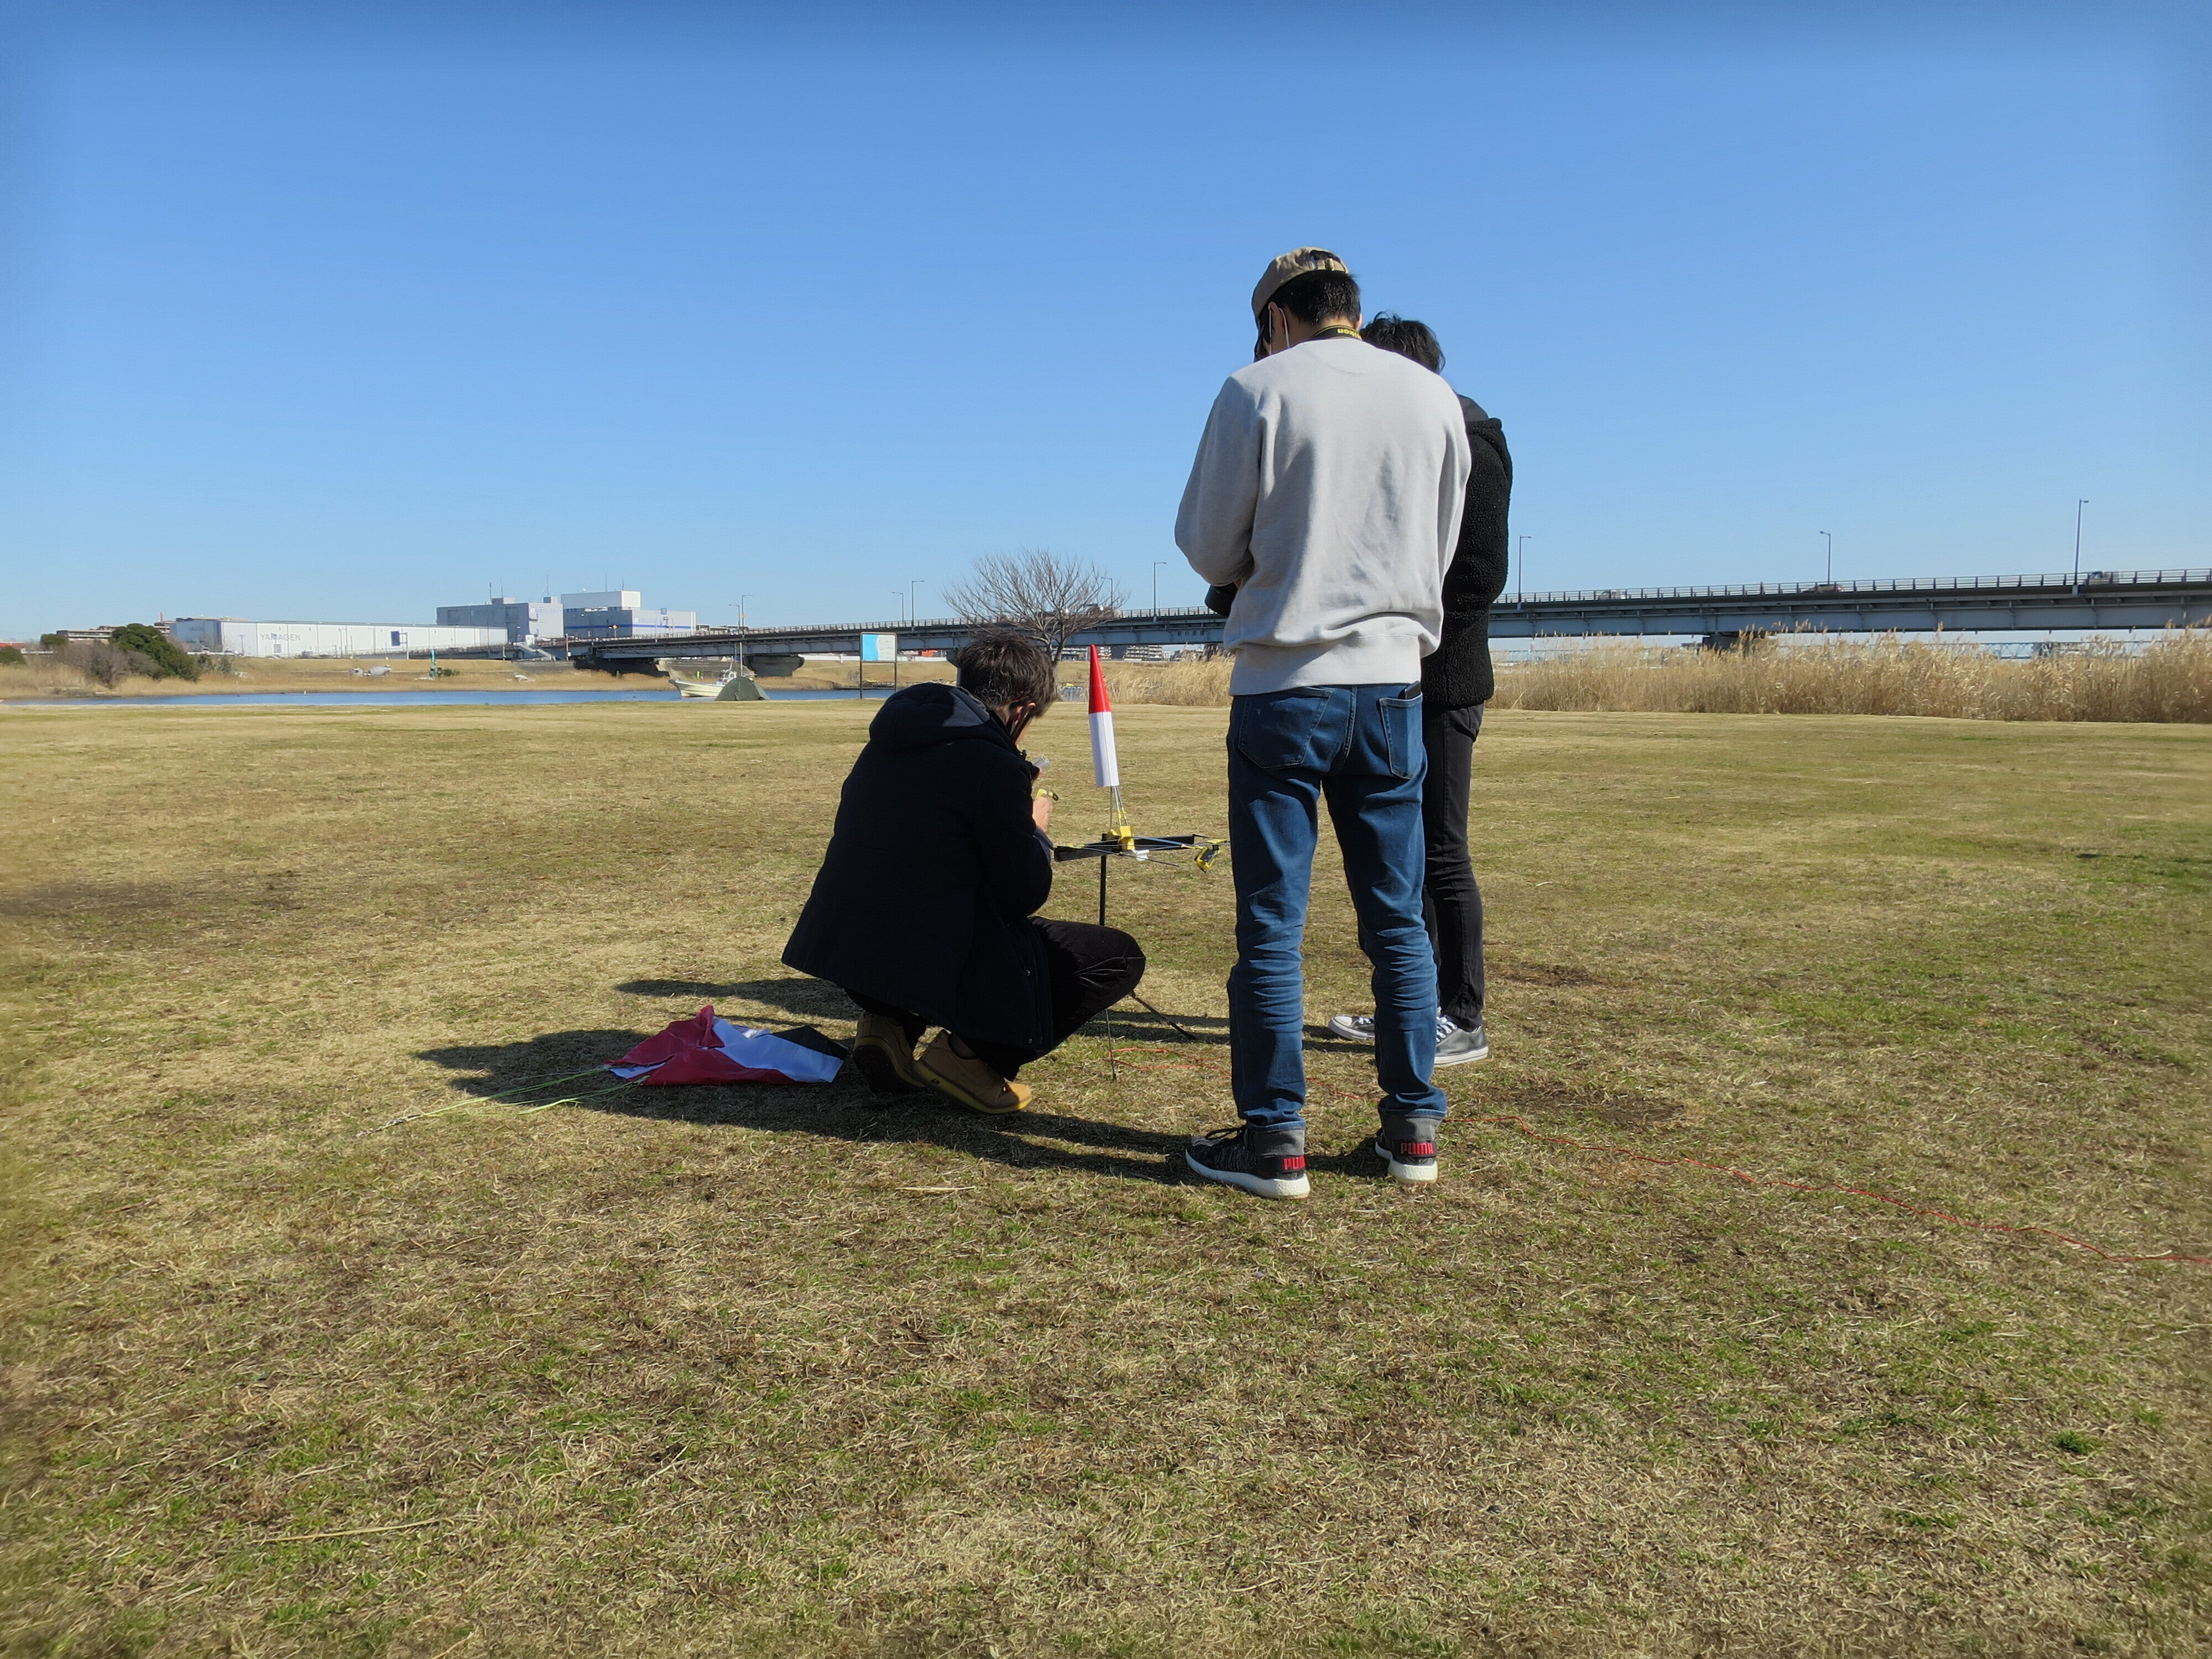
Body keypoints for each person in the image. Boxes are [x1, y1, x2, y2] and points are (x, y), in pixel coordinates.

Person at [1173, 248, 1472, 1199]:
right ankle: (1413, 1129)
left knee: (1273, 927)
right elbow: (1442, 541)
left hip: (1284, 681)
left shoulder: (1255, 388)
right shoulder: (1430, 395)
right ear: (1351, 306)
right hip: (1392, 685)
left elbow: (1205, 545)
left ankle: (1276, 1140)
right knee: (1398, 922)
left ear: (1276, 320)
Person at [781, 629, 1146, 1115]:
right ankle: (969, 1059)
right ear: (1021, 709)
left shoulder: (891, 740)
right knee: (1115, 956)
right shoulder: (991, 764)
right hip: (925, 948)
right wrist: (1034, 829)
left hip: (847, 946)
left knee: (917, 906)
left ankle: (886, 1027)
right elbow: (1023, 894)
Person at [1324, 315, 1512, 1067]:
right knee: (1399, 855)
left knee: (1440, 850)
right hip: (1392, 679)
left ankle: (1460, 1016)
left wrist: (1408, 638)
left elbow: (1479, 577)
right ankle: (1408, 1005)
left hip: (1442, 681)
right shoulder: (1401, 443)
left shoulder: (1472, 443)